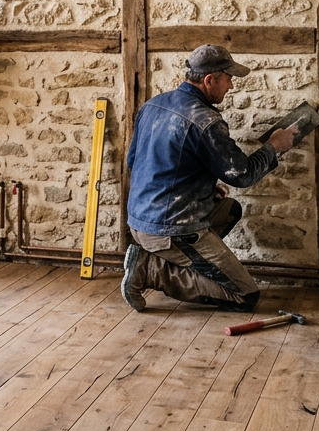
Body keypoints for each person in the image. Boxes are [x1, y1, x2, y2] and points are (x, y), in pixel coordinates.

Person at [120, 44, 298, 312]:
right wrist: (274, 147)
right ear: (209, 80)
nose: (231, 86)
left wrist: (198, 187)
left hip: (140, 222)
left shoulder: (153, 105)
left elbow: (135, 162)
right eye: (228, 78)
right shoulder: (205, 120)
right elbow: (242, 174)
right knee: (244, 296)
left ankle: (153, 258)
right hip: (171, 230)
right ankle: (152, 271)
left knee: (229, 209)